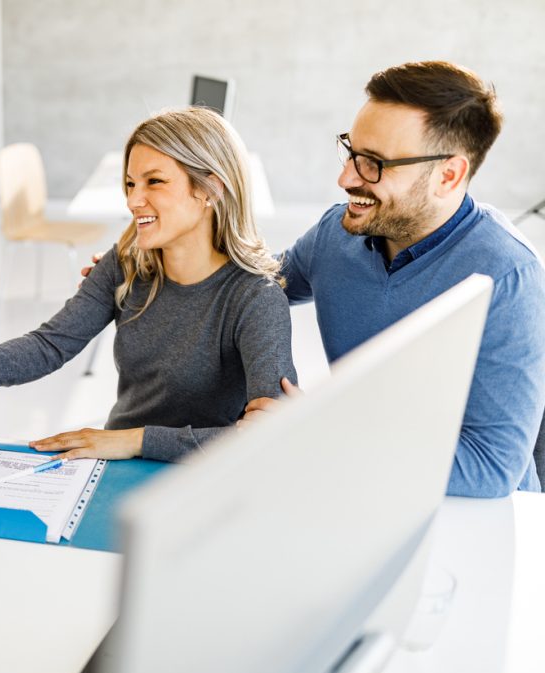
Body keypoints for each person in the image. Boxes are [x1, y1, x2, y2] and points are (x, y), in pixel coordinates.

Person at [88, 61, 545, 497]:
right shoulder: (337, 235)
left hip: (471, 512)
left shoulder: (511, 278)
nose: (345, 177)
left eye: (373, 163)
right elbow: (248, 286)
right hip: (352, 481)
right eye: (351, 152)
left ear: (448, 175)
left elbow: (491, 466)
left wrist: (315, 432)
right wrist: (155, 273)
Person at [0, 107, 297, 462]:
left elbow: (269, 434)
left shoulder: (256, 298)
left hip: (200, 478)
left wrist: (135, 441)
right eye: (131, 183)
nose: (133, 200)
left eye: (155, 181)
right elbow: (51, 344)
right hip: (114, 463)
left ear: (210, 188)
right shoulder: (127, 263)